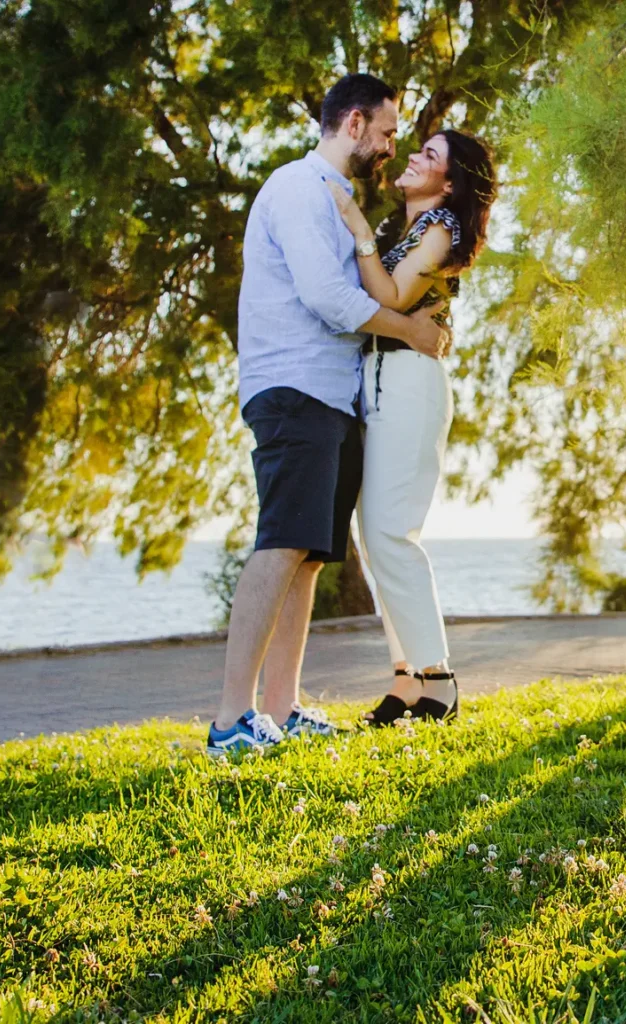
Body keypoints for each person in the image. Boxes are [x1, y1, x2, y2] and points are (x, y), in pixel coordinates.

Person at [207, 73, 451, 758]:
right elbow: (326, 298)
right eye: (386, 131)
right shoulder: (298, 188)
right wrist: (409, 331)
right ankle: (232, 721)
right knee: (280, 542)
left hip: (332, 397)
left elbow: (364, 288)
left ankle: (281, 710)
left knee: (309, 557)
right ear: (353, 123)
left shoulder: (341, 201)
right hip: (293, 390)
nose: (390, 144)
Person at [324, 128, 497, 725]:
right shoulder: (408, 230)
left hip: (409, 383)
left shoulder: (442, 227)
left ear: (448, 183)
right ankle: (405, 678)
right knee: (376, 538)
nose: (413, 158)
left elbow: (393, 298)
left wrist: (355, 228)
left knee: (394, 534)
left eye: (429, 155)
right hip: (378, 380)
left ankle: (440, 681)